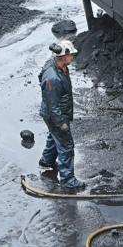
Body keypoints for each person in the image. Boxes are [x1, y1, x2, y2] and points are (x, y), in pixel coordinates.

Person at [38, 40, 85, 189]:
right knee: (66, 145)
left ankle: (46, 162)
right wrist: (61, 122)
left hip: (53, 114)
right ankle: (68, 181)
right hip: (55, 116)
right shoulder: (53, 78)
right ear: (63, 57)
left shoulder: (57, 65)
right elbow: (53, 104)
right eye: (71, 55)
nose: (73, 57)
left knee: (54, 137)